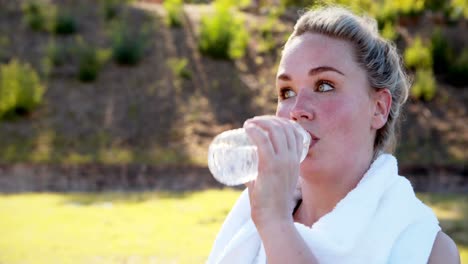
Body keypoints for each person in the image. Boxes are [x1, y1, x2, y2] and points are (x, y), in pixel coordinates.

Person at [207, 6, 460, 264]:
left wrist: (276, 224)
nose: (297, 110)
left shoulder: (426, 250)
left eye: (324, 86)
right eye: (287, 92)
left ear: (378, 108)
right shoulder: (248, 222)